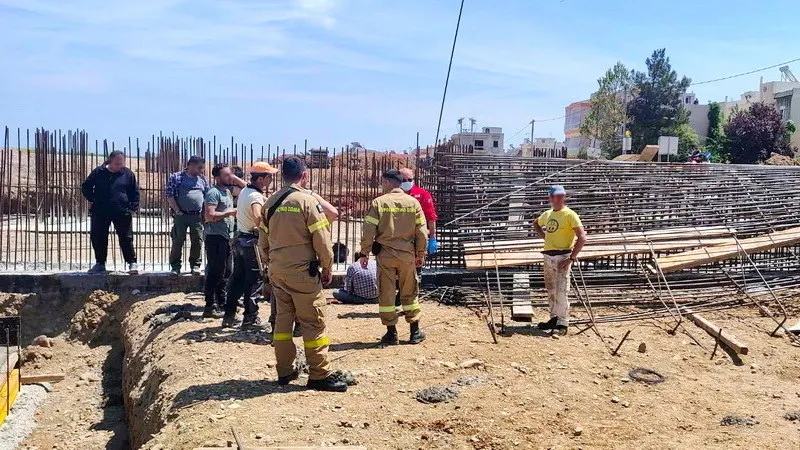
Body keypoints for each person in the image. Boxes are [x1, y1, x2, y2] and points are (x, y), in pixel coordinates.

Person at [261, 156, 346, 392]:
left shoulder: (270, 203)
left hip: (278, 272)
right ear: (304, 175)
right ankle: (319, 374)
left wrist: (272, 264)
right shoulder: (307, 202)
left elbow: (263, 242)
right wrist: (327, 266)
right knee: (313, 322)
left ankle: (285, 370)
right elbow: (322, 239)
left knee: (282, 322)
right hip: (302, 273)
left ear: (283, 175)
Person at [360, 169, 428, 345]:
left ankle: (392, 333)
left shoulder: (378, 203)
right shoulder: (413, 203)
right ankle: (415, 332)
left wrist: (364, 252)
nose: (382, 185)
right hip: (407, 255)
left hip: (385, 255)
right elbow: (422, 231)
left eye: (383, 182)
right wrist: (420, 253)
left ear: (388, 182)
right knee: (410, 291)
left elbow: (368, 230)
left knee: (387, 294)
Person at [222, 162, 277, 329]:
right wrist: (266, 230)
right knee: (254, 281)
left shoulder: (247, 190)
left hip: (240, 240)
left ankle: (229, 315)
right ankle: (250, 318)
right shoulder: (254, 197)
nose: (271, 180)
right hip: (251, 243)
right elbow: (257, 217)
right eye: (269, 177)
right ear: (261, 179)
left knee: (237, 279)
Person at [532, 185, 587, 336]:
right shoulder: (548, 214)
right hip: (548, 256)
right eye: (556, 196)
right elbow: (536, 223)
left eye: (562, 196)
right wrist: (545, 237)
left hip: (562, 256)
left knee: (562, 290)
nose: (559, 199)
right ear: (550, 198)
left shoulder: (570, 215)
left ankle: (563, 322)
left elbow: (582, 237)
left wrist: (571, 258)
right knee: (551, 289)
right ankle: (554, 318)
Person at [81, 150, 140, 274]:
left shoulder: (128, 174)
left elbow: (135, 192)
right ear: (110, 161)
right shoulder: (98, 172)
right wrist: (93, 199)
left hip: (122, 211)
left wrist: (132, 208)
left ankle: (132, 263)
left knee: (126, 238)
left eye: (122, 163)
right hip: (100, 211)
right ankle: (100, 263)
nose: (120, 165)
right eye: (117, 163)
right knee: (99, 236)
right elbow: (86, 187)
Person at [201, 163, 242, 318]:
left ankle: (221, 302)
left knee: (227, 271)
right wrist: (228, 213)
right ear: (217, 178)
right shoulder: (213, 193)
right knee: (216, 271)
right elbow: (209, 216)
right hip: (215, 237)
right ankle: (209, 305)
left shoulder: (227, 192)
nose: (229, 177)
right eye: (226, 175)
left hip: (226, 237)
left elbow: (245, 187)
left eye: (230, 174)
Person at [166, 156, 210, 275]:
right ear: (190, 165)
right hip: (181, 215)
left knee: (197, 240)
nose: (201, 170)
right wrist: (177, 210)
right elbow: (170, 195)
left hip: (197, 216)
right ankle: (175, 266)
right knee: (178, 240)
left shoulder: (203, 180)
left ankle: (195, 265)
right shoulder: (176, 177)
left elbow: (207, 197)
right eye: (199, 167)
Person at [398, 168, 438, 255]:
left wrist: (432, 238)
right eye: (404, 180)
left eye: (410, 179)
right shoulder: (392, 196)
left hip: (416, 239)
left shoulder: (422, 194)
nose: (407, 182)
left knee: (416, 266)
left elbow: (431, 217)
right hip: (397, 239)